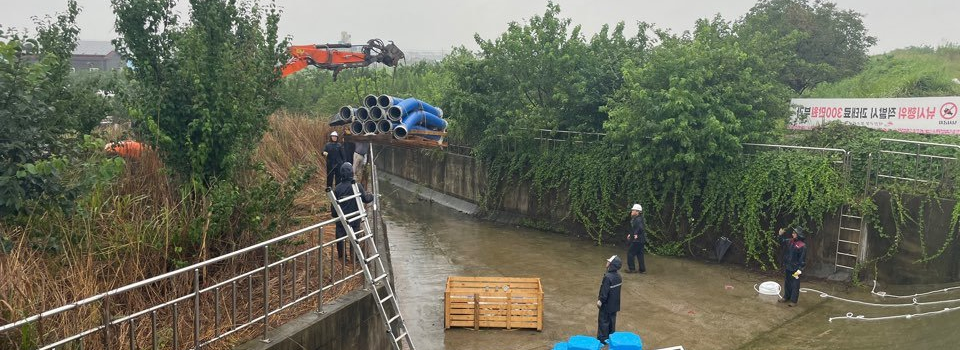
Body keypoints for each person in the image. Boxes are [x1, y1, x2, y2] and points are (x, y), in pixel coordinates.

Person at [331, 162, 374, 259]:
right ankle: (354, 257)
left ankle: (342, 257)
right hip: (355, 218)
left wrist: (335, 215)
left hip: (342, 219)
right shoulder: (357, 186)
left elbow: (333, 210)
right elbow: (366, 199)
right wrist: (372, 196)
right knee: (355, 237)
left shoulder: (337, 189)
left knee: (340, 237)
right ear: (352, 173)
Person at [777, 227, 807, 307]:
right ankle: (786, 297)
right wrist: (780, 235)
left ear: (798, 235)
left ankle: (794, 301)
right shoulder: (790, 241)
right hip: (788, 266)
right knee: (787, 282)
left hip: (796, 268)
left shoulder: (802, 246)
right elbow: (782, 242)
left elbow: (802, 260)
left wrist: (800, 270)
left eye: (794, 233)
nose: (792, 234)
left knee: (795, 284)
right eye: (793, 233)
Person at [597, 255, 623, 343]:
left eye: (609, 262)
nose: (607, 262)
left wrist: (600, 301)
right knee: (612, 320)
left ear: (612, 265)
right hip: (614, 305)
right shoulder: (619, 276)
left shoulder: (608, 277)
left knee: (603, 321)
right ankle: (611, 337)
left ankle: (602, 339)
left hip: (606, 305)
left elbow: (604, 292)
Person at [626, 204, 646, 273]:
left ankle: (631, 269)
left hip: (637, 240)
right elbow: (635, 228)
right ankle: (642, 269)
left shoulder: (638, 219)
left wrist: (636, 234)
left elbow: (640, 228)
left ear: (637, 212)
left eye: (633, 210)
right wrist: (631, 234)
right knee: (640, 254)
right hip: (641, 240)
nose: (632, 211)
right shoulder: (639, 218)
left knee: (630, 253)